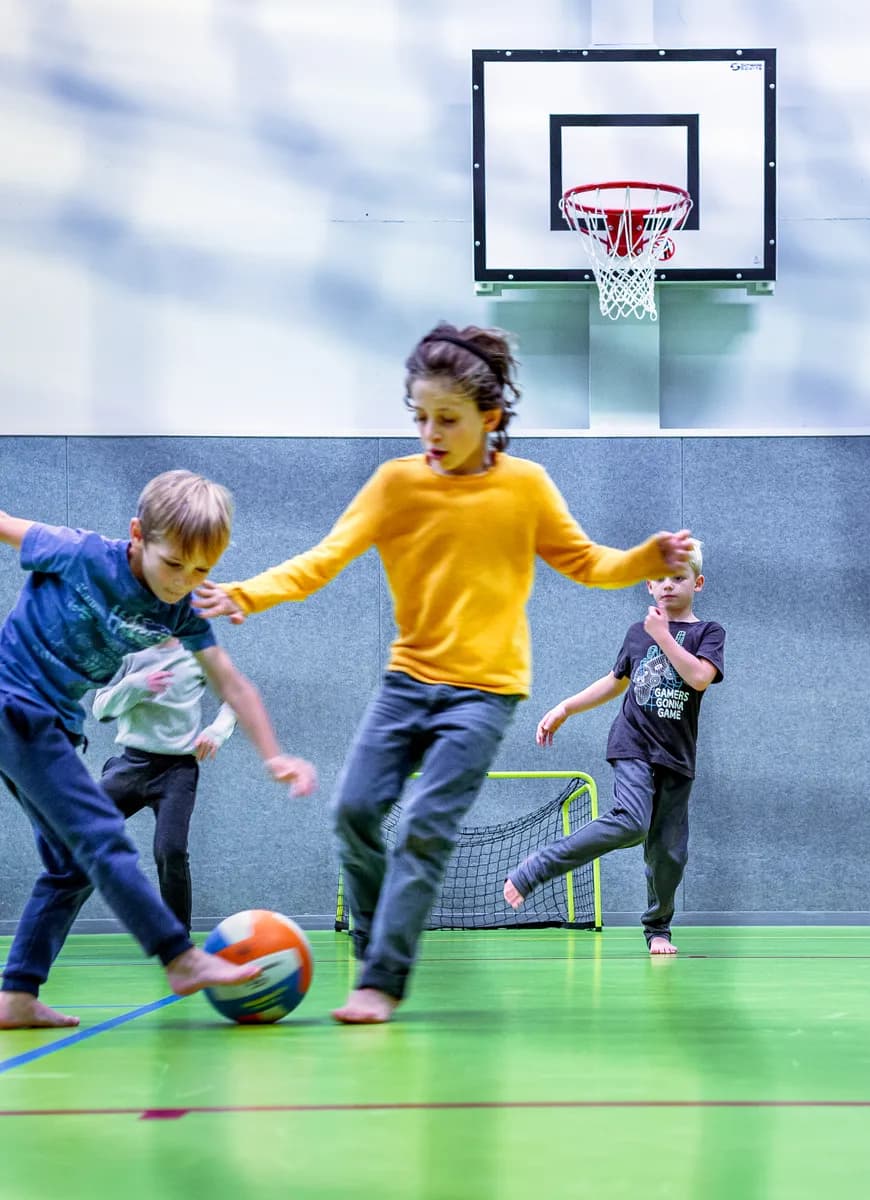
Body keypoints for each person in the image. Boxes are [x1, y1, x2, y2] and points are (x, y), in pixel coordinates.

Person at [193, 321, 694, 1024]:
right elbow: (323, 559)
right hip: (407, 683)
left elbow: (587, 562)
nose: (430, 432)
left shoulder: (526, 487)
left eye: (448, 418)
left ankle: (382, 980)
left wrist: (645, 558)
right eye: (420, 416)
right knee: (354, 812)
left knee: (426, 827)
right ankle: (374, 943)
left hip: (485, 693)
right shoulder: (396, 485)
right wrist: (244, 594)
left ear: (489, 417)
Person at [0, 470, 317, 1030]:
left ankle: (17, 995)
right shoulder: (80, 553)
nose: (183, 582)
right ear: (137, 535)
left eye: (202, 571)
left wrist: (274, 755)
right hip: (15, 706)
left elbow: (232, 684)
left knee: (70, 866)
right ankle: (179, 956)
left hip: (53, 725)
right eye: (173, 564)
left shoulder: (179, 610)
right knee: (101, 834)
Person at [504, 538, 724, 956]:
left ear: (697, 583)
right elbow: (614, 681)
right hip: (633, 744)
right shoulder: (638, 634)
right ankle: (539, 867)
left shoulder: (707, 633)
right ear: (648, 585)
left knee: (669, 855)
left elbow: (698, 678)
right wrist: (566, 707)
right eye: (659, 578)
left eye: (678, 578)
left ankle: (658, 927)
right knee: (632, 822)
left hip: (677, 757)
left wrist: (663, 636)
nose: (668, 585)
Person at [92, 637, 238, 932]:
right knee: (74, 831)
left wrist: (217, 731)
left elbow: (234, 700)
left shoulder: (198, 650)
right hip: (131, 766)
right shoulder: (123, 650)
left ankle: (179, 940)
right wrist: (136, 684)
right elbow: (100, 709)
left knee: (171, 851)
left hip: (176, 772)